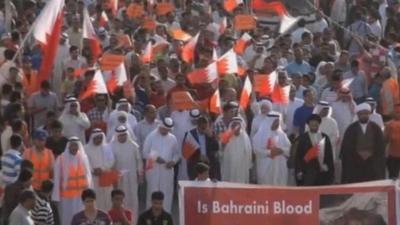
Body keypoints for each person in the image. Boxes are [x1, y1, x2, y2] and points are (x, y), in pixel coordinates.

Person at [340, 103, 386, 184]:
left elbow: (380, 146)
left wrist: (370, 153)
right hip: (355, 162)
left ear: (369, 114)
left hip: (372, 161)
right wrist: (359, 154)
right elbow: (347, 147)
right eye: (362, 114)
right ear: (358, 115)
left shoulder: (376, 128)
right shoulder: (351, 129)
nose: (364, 115)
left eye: (366, 113)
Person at [52, 137, 92, 225]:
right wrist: (56, 197)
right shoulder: (61, 159)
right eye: (72, 145)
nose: (74, 148)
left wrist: (90, 194)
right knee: (67, 219)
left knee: (82, 219)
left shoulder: (83, 158)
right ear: (68, 146)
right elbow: (57, 178)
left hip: (81, 197)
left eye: (76, 146)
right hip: (66, 198)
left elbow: (88, 176)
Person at [143, 117, 179, 213]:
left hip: (166, 170)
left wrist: (173, 162)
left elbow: (177, 154)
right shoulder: (151, 136)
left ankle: (165, 216)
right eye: (164, 129)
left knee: (166, 193)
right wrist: (156, 158)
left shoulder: (172, 138)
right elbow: (144, 152)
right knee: (152, 192)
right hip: (153, 169)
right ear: (161, 126)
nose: (165, 131)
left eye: (168, 130)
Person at [110, 125, 143, 217]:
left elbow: (139, 161)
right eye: (120, 135)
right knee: (119, 198)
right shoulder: (111, 146)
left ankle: (133, 220)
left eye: (124, 135)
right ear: (117, 135)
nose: (122, 137)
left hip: (132, 177)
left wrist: (140, 175)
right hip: (118, 178)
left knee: (132, 198)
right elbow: (110, 164)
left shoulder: (133, 145)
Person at [295, 114, 335, 186]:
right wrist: (299, 171)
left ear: (319, 124)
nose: (314, 125)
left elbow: (329, 155)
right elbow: (298, 156)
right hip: (307, 171)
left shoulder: (325, 137)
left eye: (316, 124)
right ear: (308, 125)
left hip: (322, 171)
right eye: (312, 124)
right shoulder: (303, 138)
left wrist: (329, 168)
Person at [253, 112, 291, 185]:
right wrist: (269, 152)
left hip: (279, 165)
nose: (277, 124)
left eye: (278, 122)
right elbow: (256, 150)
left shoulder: (282, 134)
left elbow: (288, 148)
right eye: (275, 122)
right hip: (265, 166)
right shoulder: (260, 134)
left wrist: (281, 150)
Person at [84, 128, 115, 211]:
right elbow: (85, 162)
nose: (99, 140)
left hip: (105, 176)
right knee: (96, 197)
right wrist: (92, 170)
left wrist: (102, 169)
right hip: (93, 177)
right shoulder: (86, 148)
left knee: (108, 197)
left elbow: (111, 161)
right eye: (97, 138)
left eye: (100, 138)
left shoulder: (107, 147)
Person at [184, 116, 220, 180]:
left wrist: (211, 137)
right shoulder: (190, 135)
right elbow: (186, 153)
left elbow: (216, 147)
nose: (204, 130)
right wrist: (199, 157)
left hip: (209, 164)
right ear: (198, 126)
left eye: (206, 127)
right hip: (195, 165)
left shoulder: (210, 133)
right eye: (203, 128)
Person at [221, 117, 252, 183]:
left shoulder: (245, 137)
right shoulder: (227, 136)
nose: (236, 127)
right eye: (234, 125)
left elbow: (249, 153)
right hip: (229, 165)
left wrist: (248, 165)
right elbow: (221, 150)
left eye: (238, 125)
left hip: (241, 166)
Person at [385, 105, 400, 179]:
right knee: (393, 176)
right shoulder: (389, 124)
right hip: (392, 154)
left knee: (393, 176)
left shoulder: (389, 124)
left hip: (393, 155)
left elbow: (386, 139)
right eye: (397, 112)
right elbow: (386, 139)